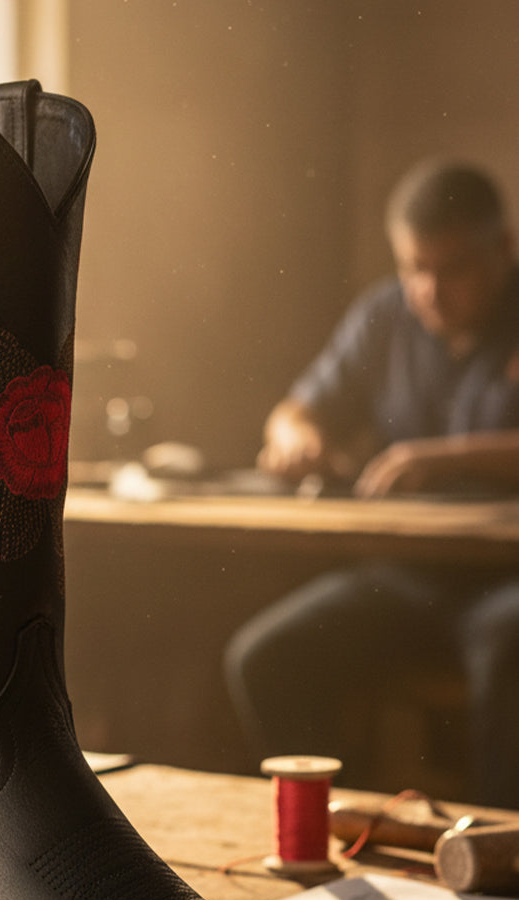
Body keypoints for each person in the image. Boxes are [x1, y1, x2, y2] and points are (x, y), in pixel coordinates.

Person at [224, 160, 519, 809]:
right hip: (408, 579)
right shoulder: (385, 316)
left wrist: (447, 459)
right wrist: (297, 437)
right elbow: (294, 411)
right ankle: (344, 832)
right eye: (415, 268)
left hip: (507, 581)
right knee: (268, 656)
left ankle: (498, 859)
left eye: (454, 269)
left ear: (502, 247)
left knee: (509, 646)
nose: (431, 291)